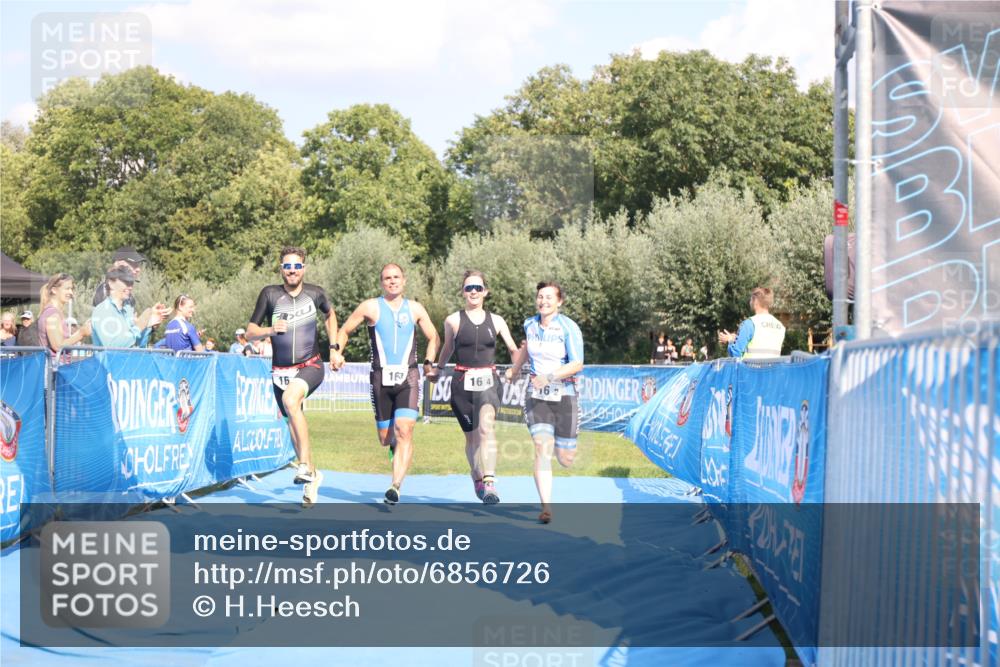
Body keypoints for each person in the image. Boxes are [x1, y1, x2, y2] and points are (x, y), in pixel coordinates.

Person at [334, 263, 440, 505]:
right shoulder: (370, 306)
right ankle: (394, 446)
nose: (392, 281)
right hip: (380, 378)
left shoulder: (415, 308)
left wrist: (428, 362)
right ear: (382, 282)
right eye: (387, 278)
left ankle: (395, 485)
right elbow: (345, 330)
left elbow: (433, 336)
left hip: (409, 377)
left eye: (396, 277)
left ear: (404, 280)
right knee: (385, 438)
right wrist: (336, 351)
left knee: (405, 430)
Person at [246, 246, 339, 507]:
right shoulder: (270, 294)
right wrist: (269, 329)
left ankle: (304, 466)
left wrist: (334, 348)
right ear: (281, 269)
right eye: (287, 266)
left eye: (297, 266)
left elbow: (330, 315)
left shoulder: (315, 293)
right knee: (292, 426)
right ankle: (313, 475)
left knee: (290, 400)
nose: (292, 271)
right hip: (280, 371)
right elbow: (250, 331)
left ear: (303, 269)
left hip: (310, 364)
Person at [434, 270, 519, 504]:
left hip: (488, 381)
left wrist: (518, 366)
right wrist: (438, 370)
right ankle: (477, 476)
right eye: (469, 288)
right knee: (472, 439)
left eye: (478, 288)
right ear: (463, 292)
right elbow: (448, 348)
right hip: (462, 383)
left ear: (485, 292)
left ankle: (490, 482)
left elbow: (513, 349)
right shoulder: (453, 320)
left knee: (486, 428)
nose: (473, 292)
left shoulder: (497, 321)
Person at [506, 281, 584, 524]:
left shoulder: (569, 327)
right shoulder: (530, 324)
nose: (544, 301)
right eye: (540, 296)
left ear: (559, 301)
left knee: (565, 459)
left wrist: (549, 377)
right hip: (536, 395)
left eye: (549, 297)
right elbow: (526, 350)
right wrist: (515, 370)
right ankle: (546, 507)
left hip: (565, 394)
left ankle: (566, 445)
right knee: (542, 446)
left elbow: (577, 363)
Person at [91, 266, 167, 348]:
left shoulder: (128, 310)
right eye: (126, 282)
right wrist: (139, 326)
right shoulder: (102, 310)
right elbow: (112, 347)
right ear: (111, 284)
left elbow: (138, 345)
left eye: (131, 283)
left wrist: (147, 326)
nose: (130, 287)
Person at [718, 287, 786, 359]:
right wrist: (737, 338)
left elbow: (736, 354)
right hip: (773, 366)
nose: (750, 302)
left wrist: (730, 340)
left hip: (751, 366)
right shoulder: (780, 326)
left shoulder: (750, 324)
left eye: (751, 299)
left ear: (755, 301)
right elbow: (764, 342)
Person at [37, 274, 92, 356]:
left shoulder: (53, 312)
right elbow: (58, 346)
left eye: (71, 289)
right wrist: (81, 333)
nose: (71, 292)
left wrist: (82, 332)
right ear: (54, 290)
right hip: (55, 363)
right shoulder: (52, 315)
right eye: (67, 288)